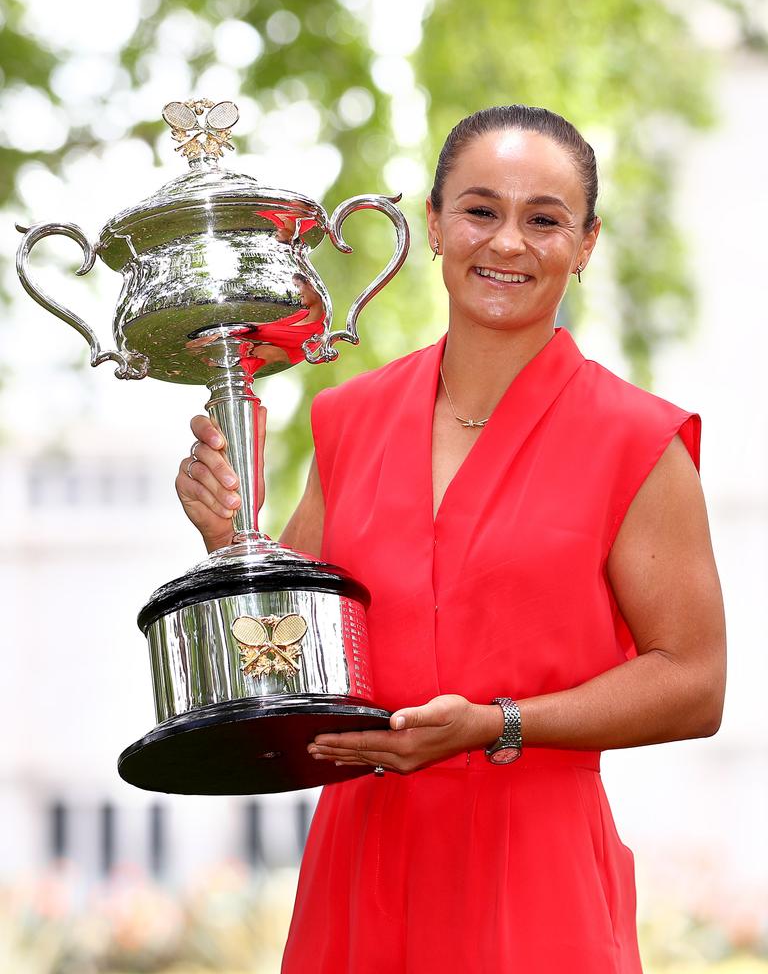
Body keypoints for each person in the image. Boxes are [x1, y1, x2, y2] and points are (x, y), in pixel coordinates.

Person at [176, 105, 726, 973]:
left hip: (535, 869)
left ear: (584, 245)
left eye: (544, 219)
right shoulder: (348, 420)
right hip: (363, 855)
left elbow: (695, 683)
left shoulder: (637, 441)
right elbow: (291, 660)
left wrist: (495, 724)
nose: (508, 242)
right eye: (480, 210)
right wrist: (228, 543)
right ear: (433, 225)